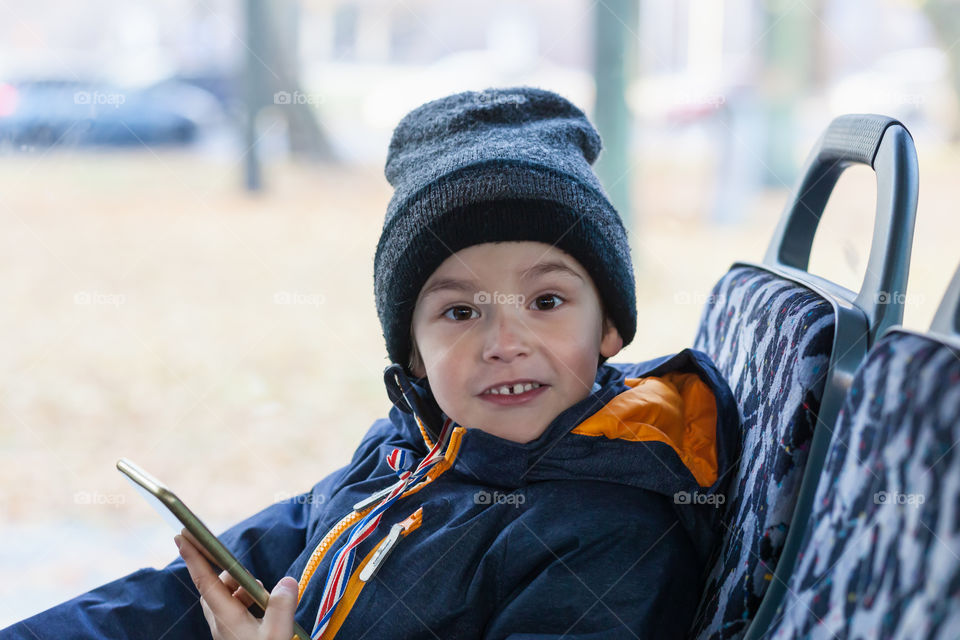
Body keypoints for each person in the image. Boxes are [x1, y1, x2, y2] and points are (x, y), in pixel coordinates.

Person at [4, 86, 739, 640]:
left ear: (610, 326)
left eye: (546, 301)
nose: (505, 341)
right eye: (460, 312)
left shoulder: (614, 535)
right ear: (412, 354)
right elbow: (205, 582)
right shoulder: (403, 455)